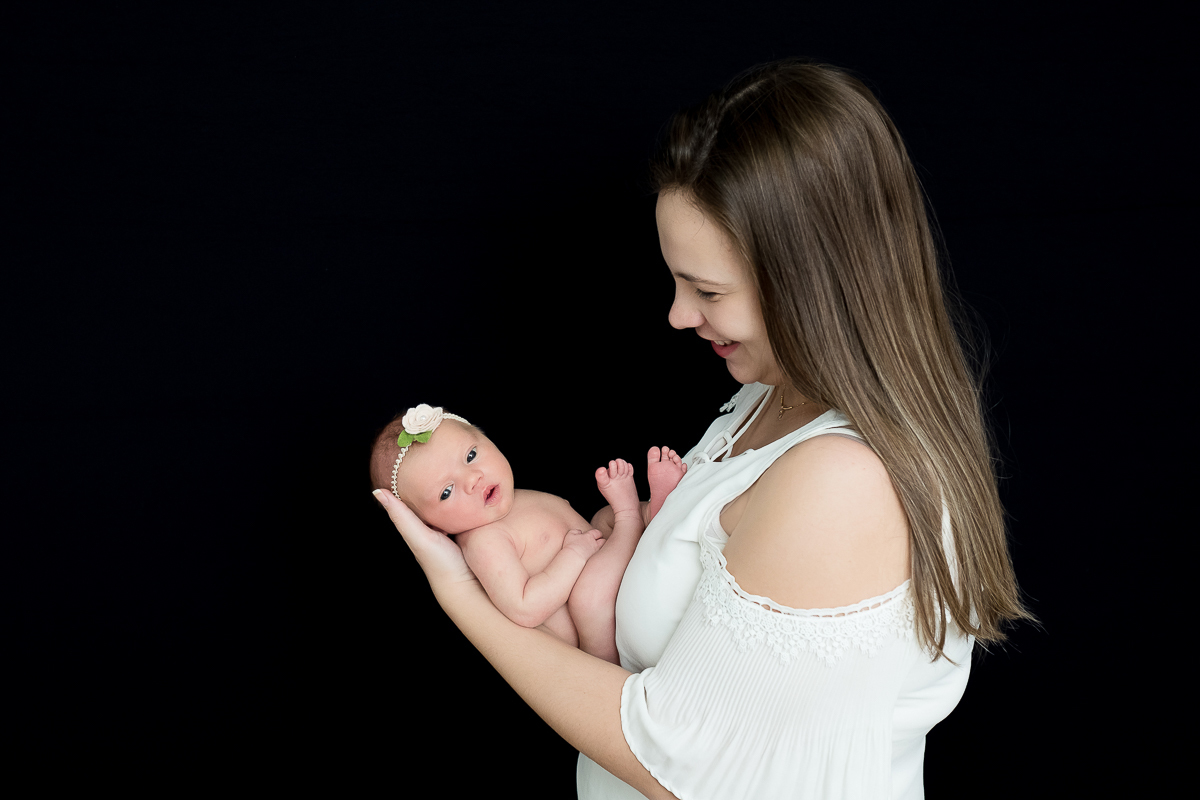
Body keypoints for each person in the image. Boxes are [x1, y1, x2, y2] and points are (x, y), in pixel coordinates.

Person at [373, 58, 1032, 799]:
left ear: (812, 281)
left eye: (707, 290)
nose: (679, 316)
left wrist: (461, 593)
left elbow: (679, 765)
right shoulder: (766, 400)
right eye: (677, 282)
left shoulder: (840, 481)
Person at [369, 403, 688, 665]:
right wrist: (573, 555)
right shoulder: (484, 542)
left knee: (602, 518)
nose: (473, 478)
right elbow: (524, 605)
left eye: (470, 456)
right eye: (447, 491)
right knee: (588, 592)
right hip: (598, 634)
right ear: (431, 526)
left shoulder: (510, 498)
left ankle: (648, 513)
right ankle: (634, 515)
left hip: (606, 565)